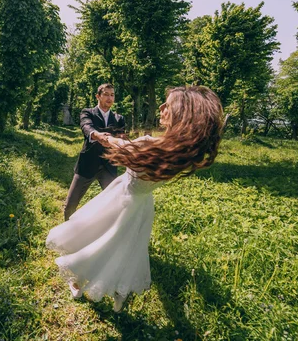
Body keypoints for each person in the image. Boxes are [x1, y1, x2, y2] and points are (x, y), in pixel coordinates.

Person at [46, 86, 224, 312]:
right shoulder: (180, 154)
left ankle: (80, 282)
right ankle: (120, 295)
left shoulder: (150, 144)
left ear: (180, 113)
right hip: (142, 205)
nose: (161, 107)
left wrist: (108, 139)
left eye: (166, 105)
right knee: (129, 247)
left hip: (120, 199)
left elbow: (122, 147)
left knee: (101, 239)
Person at [62, 84, 126, 221]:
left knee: (115, 205)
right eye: (106, 94)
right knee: (70, 205)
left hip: (109, 166)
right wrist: (98, 136)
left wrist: (121, 140)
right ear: (98, 96)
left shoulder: (119, 118)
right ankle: (66, 235)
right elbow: (86, 127)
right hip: (87, 164)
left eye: (112, 95)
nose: (110, 98)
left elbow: (122, 137)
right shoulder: (87, 112)